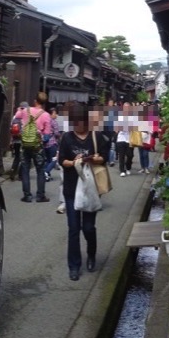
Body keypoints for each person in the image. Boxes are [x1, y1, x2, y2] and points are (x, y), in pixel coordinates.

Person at [58, 101, 109, 280]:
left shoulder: (96, 136)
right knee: (73, 228)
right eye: (75, 122)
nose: (78, 126)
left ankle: (92, 254)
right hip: (72, 188)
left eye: (81, 122)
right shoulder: (67, 137)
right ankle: (74, 265)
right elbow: (61, 160)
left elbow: (105, 157)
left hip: (90, 188)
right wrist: (73, 162)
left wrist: (94, 159)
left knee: (88, 227)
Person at [17, 92, 52, 203]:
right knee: (40, 170)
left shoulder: (25, 111)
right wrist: (42, 141)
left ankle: (27, 196)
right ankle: (40, 196)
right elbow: (47, 134)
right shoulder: (46, 115)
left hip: (25, 144)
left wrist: (20, 109)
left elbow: (16, 117)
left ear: (35, 101)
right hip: (37, 146)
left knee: (25, 169)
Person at [116, 101, 134, 176]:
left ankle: (128, 167)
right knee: (121, 155)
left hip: (130, 139)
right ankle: (122, 170)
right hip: (121, 138)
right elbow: (116, 129)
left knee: (130, 155)